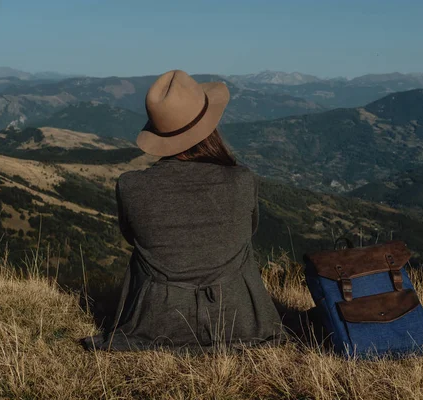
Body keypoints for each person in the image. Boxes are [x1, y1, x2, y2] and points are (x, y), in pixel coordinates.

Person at [81, 70, 285, 353]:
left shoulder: (131, 186)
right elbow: (249, 231)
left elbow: (132, 237)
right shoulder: (242, 180)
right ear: (210, 126)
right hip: (241, 321)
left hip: (156, 323)